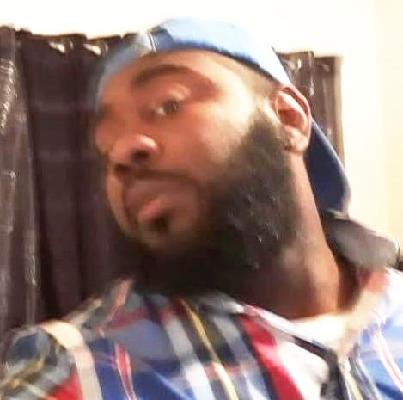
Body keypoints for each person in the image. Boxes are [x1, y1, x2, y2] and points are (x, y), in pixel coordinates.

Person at [1, 18, 402, 400]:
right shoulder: (78, 365)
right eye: (104, 149)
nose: (122, 151)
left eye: (168, 105)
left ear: (288, 118)